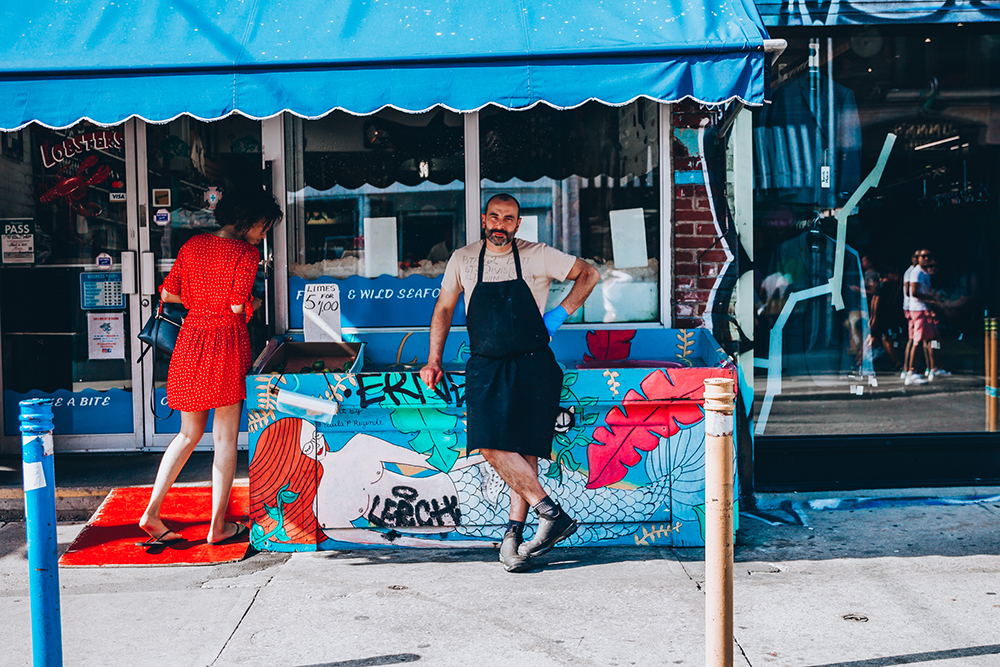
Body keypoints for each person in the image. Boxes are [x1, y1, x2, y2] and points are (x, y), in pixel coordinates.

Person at [420, 194, 600, 572]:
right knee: (487, 444)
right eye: (495, 217)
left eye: (510, 219)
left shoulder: (538, 254)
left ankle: (513, 540)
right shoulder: (463, 259)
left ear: (518, 224)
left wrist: (557, 316)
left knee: (525, 452)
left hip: (534, 364)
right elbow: (443, 308)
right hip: (485, 365)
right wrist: (434, 358)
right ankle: (551, 514)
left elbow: (590, 274)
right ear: (484, 220)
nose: (501, 224)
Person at [138, 187, 282, 547]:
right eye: (264, 226)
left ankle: (152, 512)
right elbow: (236, 308)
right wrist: (255, 303)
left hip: (190, 342)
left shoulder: (192, 245)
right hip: (225, 344)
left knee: (187, 435)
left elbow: (169, 294)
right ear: (249, 219)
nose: (265, 234)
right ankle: (218, 526)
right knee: (225, 438)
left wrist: (201, 299)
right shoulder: (245, 254)